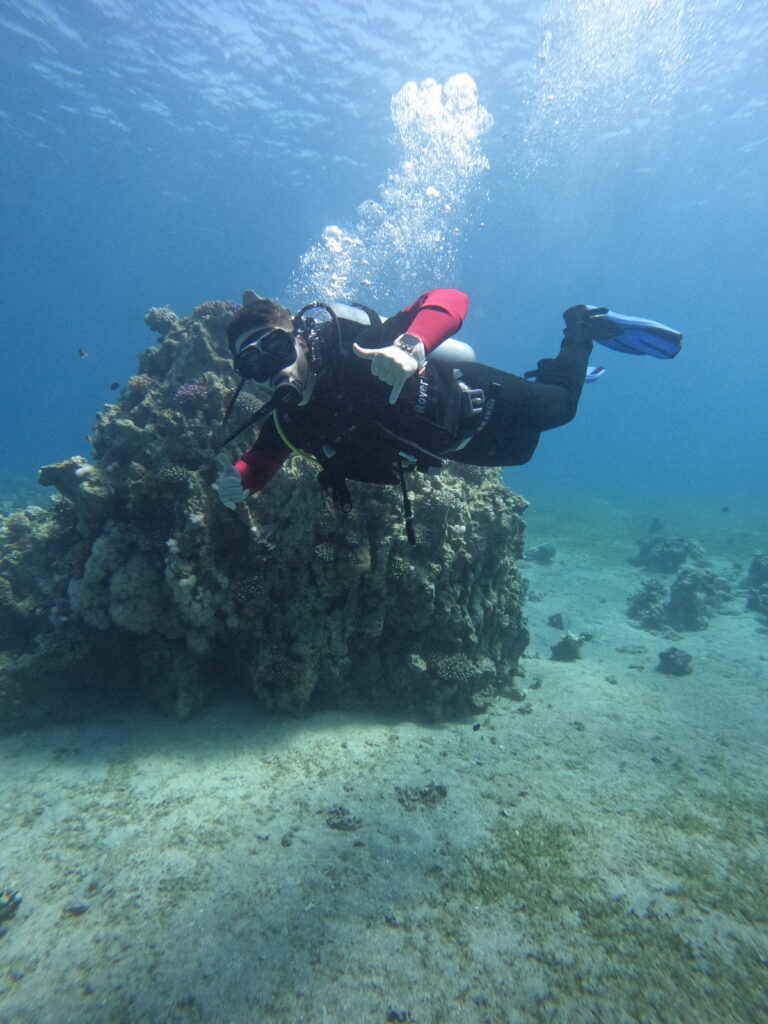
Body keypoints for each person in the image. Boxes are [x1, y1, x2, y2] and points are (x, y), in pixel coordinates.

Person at [214, 288, 681, 538]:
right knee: (525, 454)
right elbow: (261, 461)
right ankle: (547, 375)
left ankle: (581, 327)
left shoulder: (355, 346)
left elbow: (452, 298)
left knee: (561, 408)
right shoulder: (290, 420)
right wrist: (238, 479)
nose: (272, 367)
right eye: (252, 362)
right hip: (457, 444)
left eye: (275, 346)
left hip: (478, 396)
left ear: (297, 336)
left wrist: (410, 345)